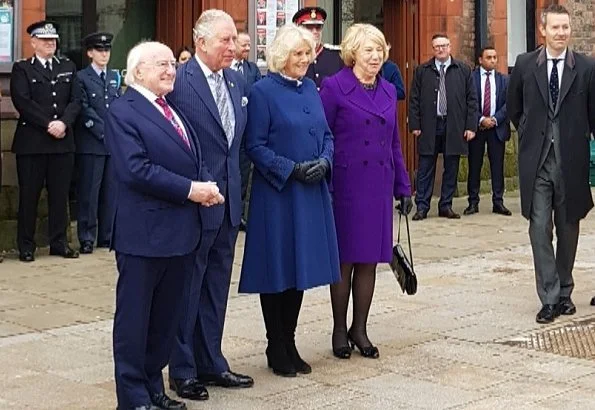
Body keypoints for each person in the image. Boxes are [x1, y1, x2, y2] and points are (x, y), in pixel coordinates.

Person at [105, 40, 224, 410]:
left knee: (164, 320)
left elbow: (191, 159)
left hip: (180, 235)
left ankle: (154, 387)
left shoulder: (170, 109)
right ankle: (133, 395)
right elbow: (136, 169)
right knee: (135, 320)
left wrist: (206, 187)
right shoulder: (123, 111)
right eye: (161, 64)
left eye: (172, 63)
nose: (171, 70)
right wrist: (192, 190)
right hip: (143, 236)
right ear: (138, 71)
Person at [238, 24, 340, 377]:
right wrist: (290, 169)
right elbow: (255, 146)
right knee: (277, 269)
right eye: (298, 54)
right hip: (278, 193)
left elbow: (328, 134)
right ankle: (274, 344)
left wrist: (325, 161)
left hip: (311, 191)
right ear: (282, 55)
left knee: (299, 270)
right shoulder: (263, 91)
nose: (304, 60)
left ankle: (290, 340)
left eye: (307, 53)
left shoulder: (311, 87)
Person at [168, 10, 253, 401]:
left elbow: (234, 144)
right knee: (187, 287)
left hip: (229, 203)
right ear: (200, 42)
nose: (232, 47)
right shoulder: (179, 82)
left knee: (217, 287)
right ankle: (182, 369)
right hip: (194, 204)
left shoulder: (235, 81)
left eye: (234, 40)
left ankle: (211, 361)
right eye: (225, 40)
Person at [320, 24, 412, 360]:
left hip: (378, 185)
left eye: (379, 51)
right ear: (353, 53)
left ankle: (361, 328)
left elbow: (394, 143)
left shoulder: (388, 90)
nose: (375, 57)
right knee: (345, 261)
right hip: (345, 186)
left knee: (370, 260)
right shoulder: (333, 88)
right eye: (368, 50)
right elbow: (323, 138)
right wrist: (324, 184)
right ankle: (339, 329)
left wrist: (403, 186)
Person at [508, 5, 595, 324]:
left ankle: (565, 293)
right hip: (537, 162)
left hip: (571, 162)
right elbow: (515, 109)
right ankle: (548, 296)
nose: (561, 33)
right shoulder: (525, 64)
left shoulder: (586, 67)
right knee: (539, 227)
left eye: (565, 27)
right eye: (555, 28)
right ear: (543, 30)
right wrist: (533, 137)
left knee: (569, 226)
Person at [10, 20, 81, 262]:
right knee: (29, 196)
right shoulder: (22, 69)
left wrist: (63, 123)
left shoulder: (68, 66)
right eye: (45, 40)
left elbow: (75, 101)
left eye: (53, 40)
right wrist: (48, 124)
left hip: (62, 142)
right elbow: (22, 101)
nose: (50, 44)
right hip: (32, 142)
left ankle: (59, 243)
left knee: (59, 196)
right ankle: (26, 246)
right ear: (33, 43)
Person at [408, 33, 477, 221]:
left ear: (450, 47)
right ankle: (422, 206)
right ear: (433, 49)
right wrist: (415, 124)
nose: (441, 49)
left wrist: (471, 126)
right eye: (437, 46)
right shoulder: (423, 71)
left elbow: (472, 100)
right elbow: (413, 99)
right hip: (430, 125)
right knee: (425, 167)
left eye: (444, 45)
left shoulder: (463, 70)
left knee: (451, 166)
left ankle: (446, 205)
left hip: (454, 124)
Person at [75, 32, 120, 254]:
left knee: (110, 192)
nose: (104, 54)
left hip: (112, 145)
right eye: (100, 50)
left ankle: (107, 235)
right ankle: (86, 236)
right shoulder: (82, 77)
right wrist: (105, 133)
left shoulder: (114, 76)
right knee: (89, 194)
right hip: (92, 143)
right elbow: (84, 109)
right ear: (90, 53)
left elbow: (118, 106)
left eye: (107, 50)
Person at [464, 46, 511, 217]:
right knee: (474, 165)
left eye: (495, 57)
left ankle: (498, 201)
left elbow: (508, 103)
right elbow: (468, 102)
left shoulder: (504, 80)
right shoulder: (471, 78)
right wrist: (481, 119)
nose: (492, 60)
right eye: (489, 57)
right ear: (480, 60)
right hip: (477, 127)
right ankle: (473, 202)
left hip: (496, 128)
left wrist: (495, 119)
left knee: (497, 166)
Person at [232, 32, 262, 232]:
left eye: (249, 45)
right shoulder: (225, 68)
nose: (248, 48)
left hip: (247, 130)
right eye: (244, 45)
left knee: (244, 174)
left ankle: (242, 215)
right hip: (230, 131)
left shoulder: (252, 70)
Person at [292, 7, 343, 90]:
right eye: (309, 27)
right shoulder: (292, 57)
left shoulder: (337, 56)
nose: (315, 31)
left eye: (318, 27)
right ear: (299, 29)